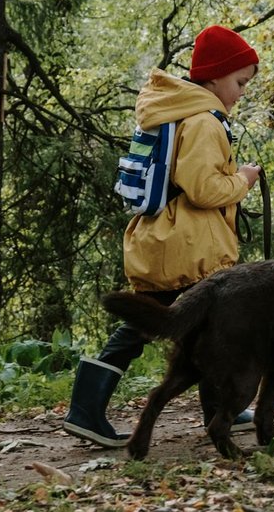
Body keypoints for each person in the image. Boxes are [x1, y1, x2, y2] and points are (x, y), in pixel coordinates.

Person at [64, 25, 262, 447]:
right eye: (239, 82)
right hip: (189, 247)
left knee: (169, 326)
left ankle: (92, 405)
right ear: (214, 77)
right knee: (194, 324)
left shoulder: (176, 112)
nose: (242, 91)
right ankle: (89, 409)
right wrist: (243, 180)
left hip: (163, 239)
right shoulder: (205, 122)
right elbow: (204, 189)